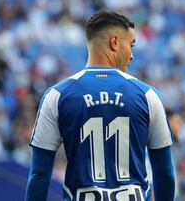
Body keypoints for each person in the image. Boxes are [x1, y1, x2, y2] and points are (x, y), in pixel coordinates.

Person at [25, 11, 176, 201]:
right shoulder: (147, 95)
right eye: (131, 45)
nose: (132, 55)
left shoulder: (56, 96)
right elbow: (165, 175)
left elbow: (39, 175)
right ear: (114, 42)